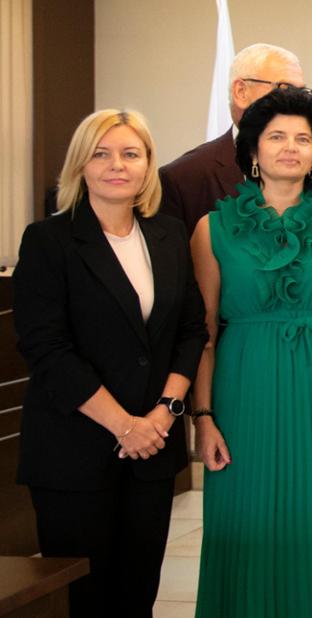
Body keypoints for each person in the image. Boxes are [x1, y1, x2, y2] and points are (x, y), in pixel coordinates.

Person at [188, 87, 312, 616]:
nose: (290, 147)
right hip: (244, 386)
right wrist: (202, 417)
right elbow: (202, 332)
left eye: (303, 138)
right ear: (253, 151)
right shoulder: (211, 230)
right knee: (246, 513)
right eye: (277, 137)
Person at [13, 109, 207, 617]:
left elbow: (191, 331)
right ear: (80, 165)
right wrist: (125, 426)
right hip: (73, 452)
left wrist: (164, 414)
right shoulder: (48, 241)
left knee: (137, 591)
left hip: (153, 448)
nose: (116, 165)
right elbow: (47, 350)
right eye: (101, 153)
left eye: (130, 153)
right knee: (85, 599)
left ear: (147, 166)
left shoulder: (168, 236)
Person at [159, 43, 312, 229]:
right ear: (241, 91)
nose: (294, 99)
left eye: (302, 92)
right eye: (284, 89)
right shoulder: (184, 177)